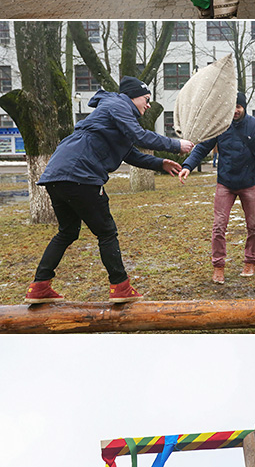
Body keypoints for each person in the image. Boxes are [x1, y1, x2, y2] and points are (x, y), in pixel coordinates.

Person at [25, 78, 193, 304]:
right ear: (134, 97)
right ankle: (120, 286)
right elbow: (140, 136)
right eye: (146, 99)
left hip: (57, 176)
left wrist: (159, 163)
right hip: (80, 176)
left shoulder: (113, 114)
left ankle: (39, 286)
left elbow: (129, 153)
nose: (148, 105)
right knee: (106, 232)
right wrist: (176, 145)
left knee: (67, 232)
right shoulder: (118, 105)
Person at [179, 92, 255, 281]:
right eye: (232, 107)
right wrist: (188, 166)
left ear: (244, 107)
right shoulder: (219, 127)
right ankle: (218, 265)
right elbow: (202, 148)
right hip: (226, 183)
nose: (235, 111)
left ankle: (250, 261)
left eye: (238, 106)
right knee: (219, 226)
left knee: (253, 226)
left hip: (249, 183)